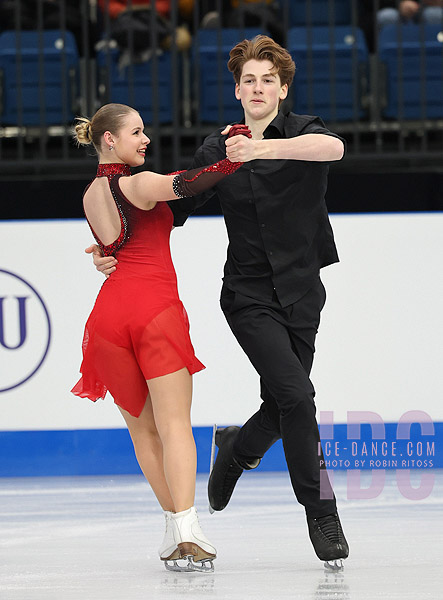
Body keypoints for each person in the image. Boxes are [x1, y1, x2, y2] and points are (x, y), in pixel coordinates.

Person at [90, 35, 349, 570]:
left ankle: (237, 449)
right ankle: (322, 512)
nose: (258, 88)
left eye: (267, 80)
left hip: (303, 291)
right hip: (249, 297)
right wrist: (111, 247)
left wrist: (262, 148)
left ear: (282, 89)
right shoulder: (216, 149)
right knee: (299, 398)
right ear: (237, 90)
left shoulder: (304, 133)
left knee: (285, 403)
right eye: (248, 80)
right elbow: (168, 208)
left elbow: (335, 150)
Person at [71, 102, 249, 572]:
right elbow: (189, 184)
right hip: (154, 311)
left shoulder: (91, 193)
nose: (145, 139)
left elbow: (112, 246)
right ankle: (190, 529)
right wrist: (235, 158)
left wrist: (100, 257)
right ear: (109, 139)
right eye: (136, 132)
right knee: (174, 426)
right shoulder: (139, 182)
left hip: (108, 319)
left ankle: (174, 528)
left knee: (143, 432)